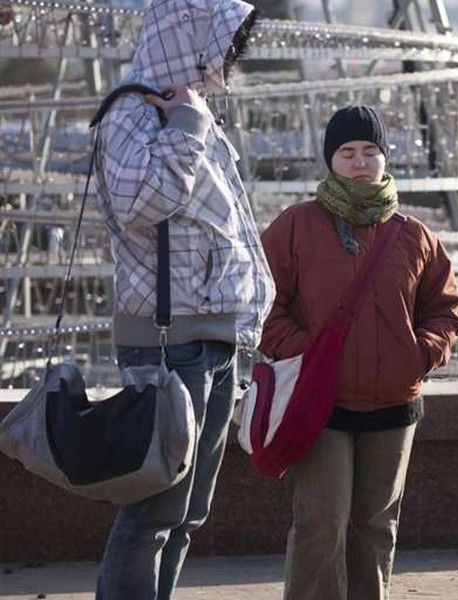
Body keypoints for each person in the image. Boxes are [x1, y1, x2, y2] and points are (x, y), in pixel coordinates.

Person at [91, 0, 272, 598]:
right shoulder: (130, 114)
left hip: (215, 340)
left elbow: (235, 228)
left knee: (187, 516)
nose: (225, 59)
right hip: (168, 342)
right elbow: (140, 205)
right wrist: (187, 130)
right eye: (219, 42)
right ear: (186, 35)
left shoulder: (188, 110)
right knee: (152, 517)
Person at [259, 105, 458, 600]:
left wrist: (416, 355)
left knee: (375, 528)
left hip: (394, 406)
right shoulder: (295, 226)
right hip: (320, 404)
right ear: (330, 160)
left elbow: (446, 309)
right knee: (321, 524)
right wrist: (306, 355)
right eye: (347, 152)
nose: (359, 162)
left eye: (370, 151)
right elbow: (262, 301)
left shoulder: (415, 235)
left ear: (384, 158)